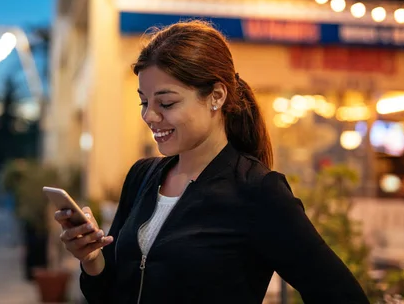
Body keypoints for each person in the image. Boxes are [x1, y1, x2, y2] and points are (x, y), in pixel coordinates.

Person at [54, 20, 369, 303]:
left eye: (166, 102)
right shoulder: (142, 177)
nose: (150, 116)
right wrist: (93, 259)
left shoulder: (258, 192)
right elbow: (107, 293)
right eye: (145, 102)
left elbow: (342, 295)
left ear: (216, 96)